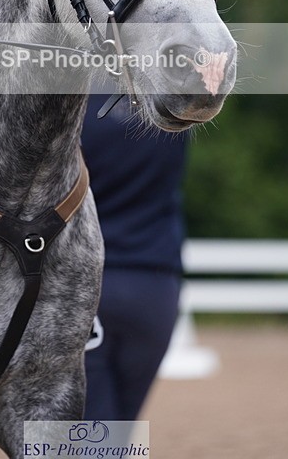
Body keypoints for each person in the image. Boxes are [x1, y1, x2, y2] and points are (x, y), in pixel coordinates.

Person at [82, 94, 186, 422]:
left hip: (82, 285)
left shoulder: (72, 107)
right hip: (155, 288)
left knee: (74, 430)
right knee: (117, 428)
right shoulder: (171, 106)